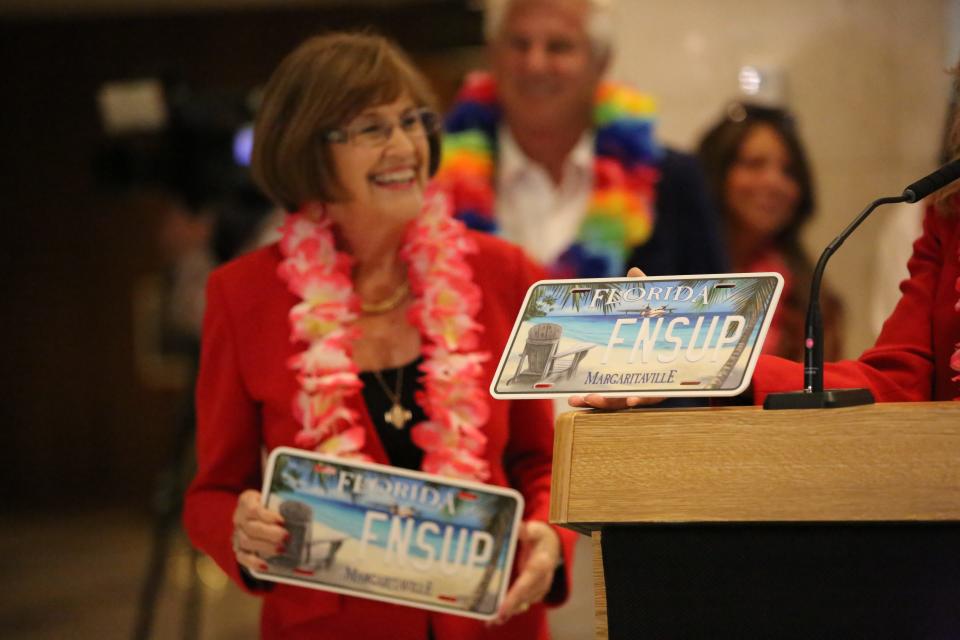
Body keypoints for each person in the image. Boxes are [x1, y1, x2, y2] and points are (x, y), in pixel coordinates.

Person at [182, 33, 575, 640]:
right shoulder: (243, 298)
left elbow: (539, 460)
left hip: (489, 624)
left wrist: (549, 532)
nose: (405, 146)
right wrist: (241, 529)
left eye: (413, 121)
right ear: (309, 149)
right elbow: (212, 494)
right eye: (371, 128)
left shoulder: (503, 275)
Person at [437, 0, 728, 279]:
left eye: (559, 47)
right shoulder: (437, 183)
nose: (535, 64)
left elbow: (718, 315)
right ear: (493, 56)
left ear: (601, 62)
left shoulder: (673, 180)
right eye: (519, 44)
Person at [696, 102, 843, 362]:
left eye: (788, 171)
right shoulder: (675, 278)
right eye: (754, 164)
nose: (774, 182)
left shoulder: (812, 297)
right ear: (716, 173)